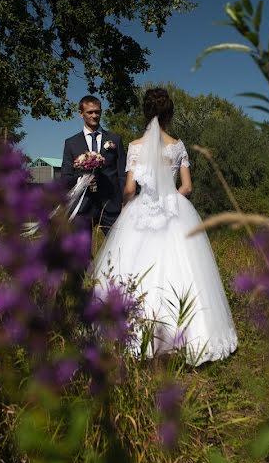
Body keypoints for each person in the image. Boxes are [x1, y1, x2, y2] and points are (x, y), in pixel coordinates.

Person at [91, 88, 237, 365]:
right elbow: (187, 187)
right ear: (169, 114)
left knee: (131, 268)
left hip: (142, 210)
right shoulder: (177, 145)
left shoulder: (135, 147)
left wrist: (128, 206)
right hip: (174, 211)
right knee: (184, 269)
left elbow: (131, 187)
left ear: (146, 114)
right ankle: (191, 336)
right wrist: (169, 200)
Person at [60, 95, 126, 237]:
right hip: (83, 206)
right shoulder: (71, 143)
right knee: (81, 254)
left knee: (119, 249)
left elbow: (122, 174)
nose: (94, 116)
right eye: (90, 112)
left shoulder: (114, 140)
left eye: (97, 112)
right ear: (81, 114)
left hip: (111, 204)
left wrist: (125, 201)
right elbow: (66, 177)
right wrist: (82, 180)